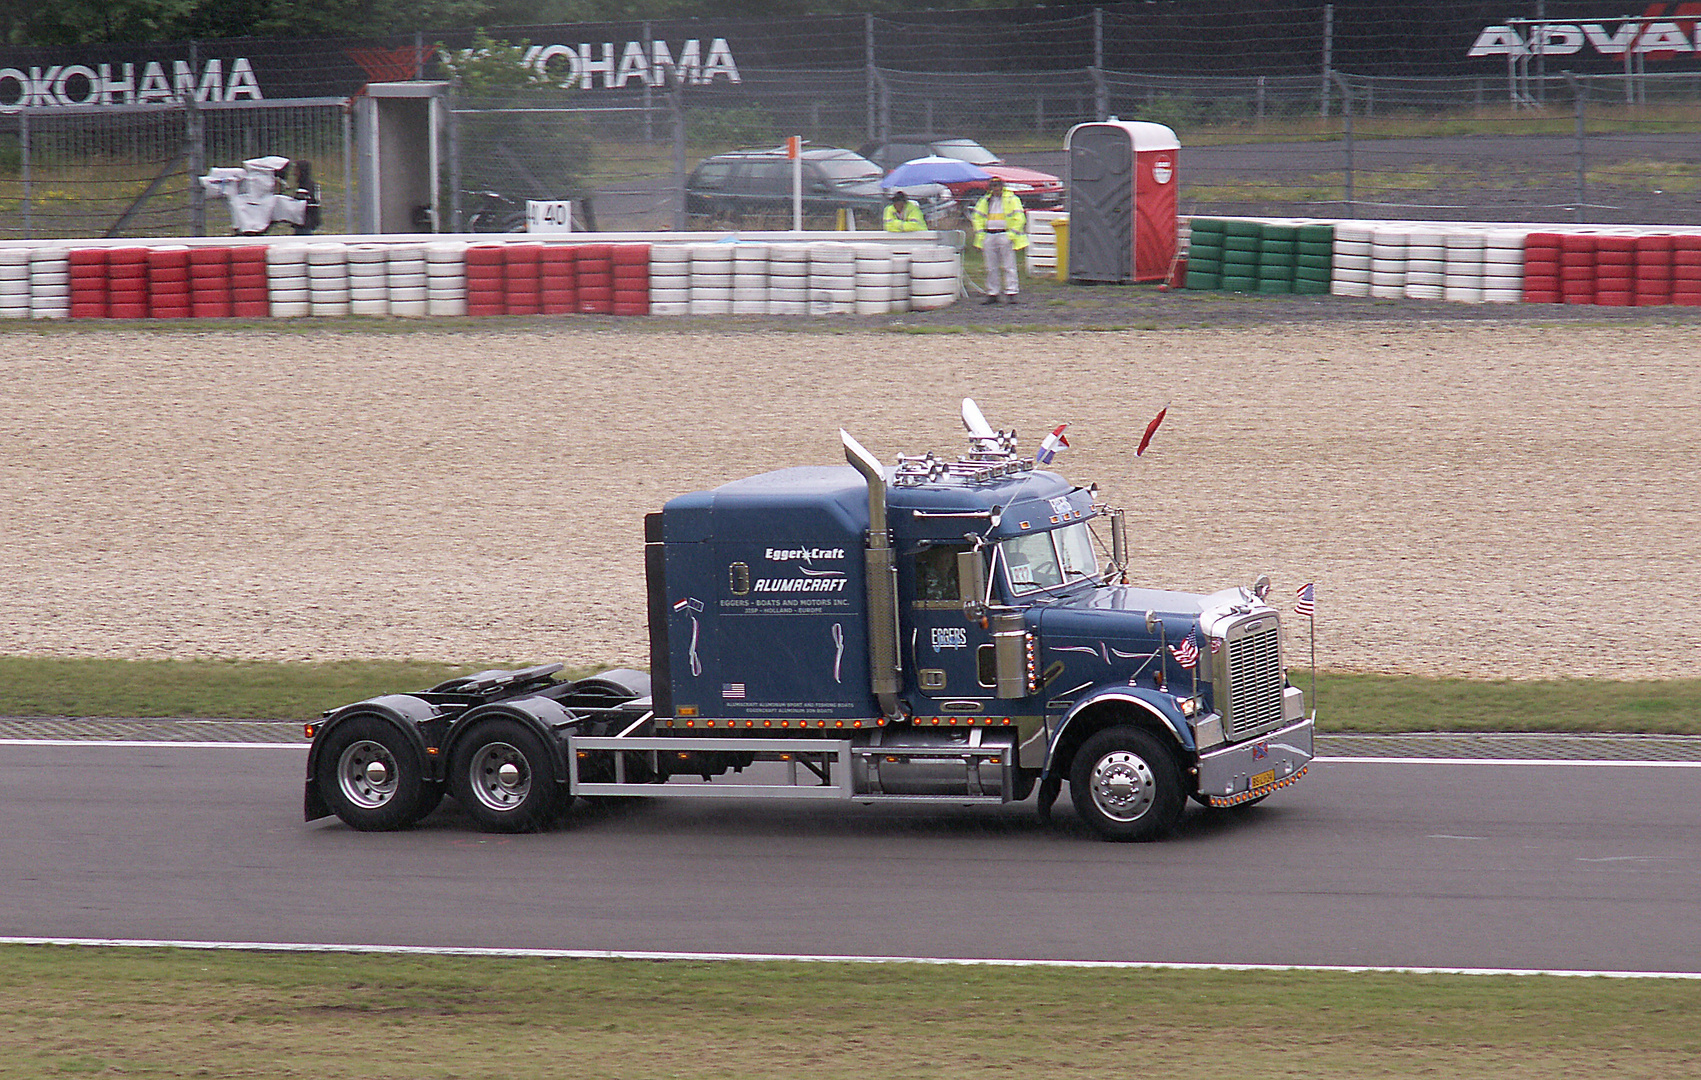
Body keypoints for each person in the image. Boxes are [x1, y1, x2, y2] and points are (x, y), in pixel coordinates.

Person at [969, 176, 1027, 304]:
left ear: (1002, 186)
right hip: (989, 235)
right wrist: (981, 234)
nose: (996, 189)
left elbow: (1020, 218)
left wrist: (1011, 235)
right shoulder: (985, 201)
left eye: (998, 186)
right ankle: (993, 293)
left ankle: (1011, 292)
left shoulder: (1012, 199)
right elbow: (977, 217)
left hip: (1004, 234)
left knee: (1009, 265)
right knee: (990, 267)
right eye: (993, 186)